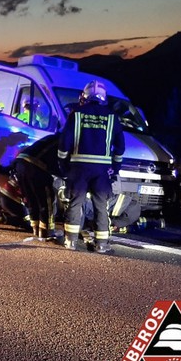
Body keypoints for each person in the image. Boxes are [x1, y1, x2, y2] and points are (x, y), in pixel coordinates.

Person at [57, 80, 125, 254]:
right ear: (104, 97)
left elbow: (64, 143)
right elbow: (120, 147)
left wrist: (63, 165)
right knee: (101, 206)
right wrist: (115, 168)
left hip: (78, 168)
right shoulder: (112, 117)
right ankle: (102, 244)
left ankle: (70, 242)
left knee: (75, 203)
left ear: (84, 96)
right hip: (102, 171)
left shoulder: (76, 114)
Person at [12, 133, 62, 239]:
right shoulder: (65, 140)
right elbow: (61, 163)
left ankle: (35, 229)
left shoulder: (53, 137)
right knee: (46, 200)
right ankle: (47, 232)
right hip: (35, 166)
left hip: (20, 162)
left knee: (31, 199)